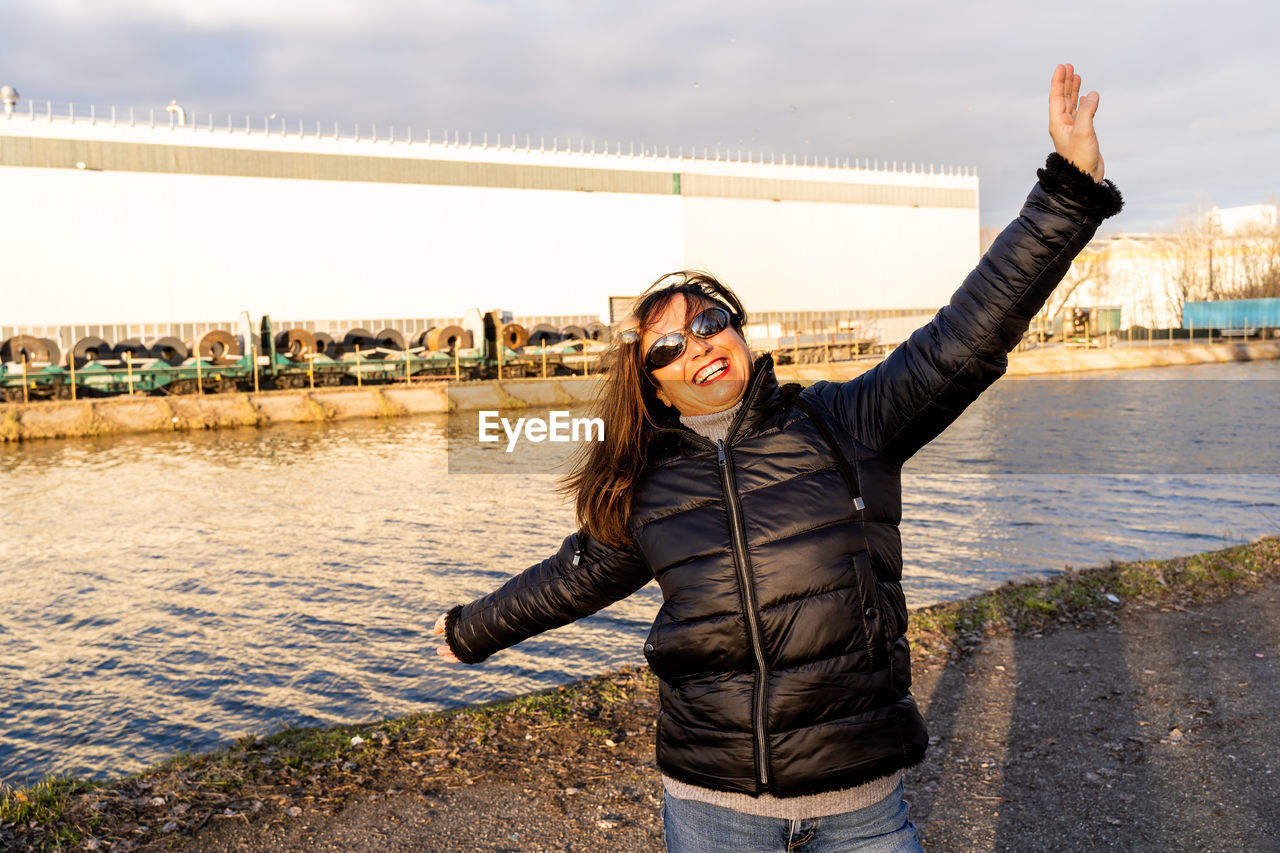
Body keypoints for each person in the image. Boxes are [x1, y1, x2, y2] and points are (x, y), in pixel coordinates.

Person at [432, 63, 1122, 852]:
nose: (698, 344)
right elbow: (571, 577)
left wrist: (1066, 194)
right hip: (714, 805)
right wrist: (470, 630)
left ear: (737, 328)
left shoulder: (844, 424)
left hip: (861, 802)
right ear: (652, 385)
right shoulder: (648, 487)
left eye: (709, 320)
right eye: (668, 344)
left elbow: (965, 336)